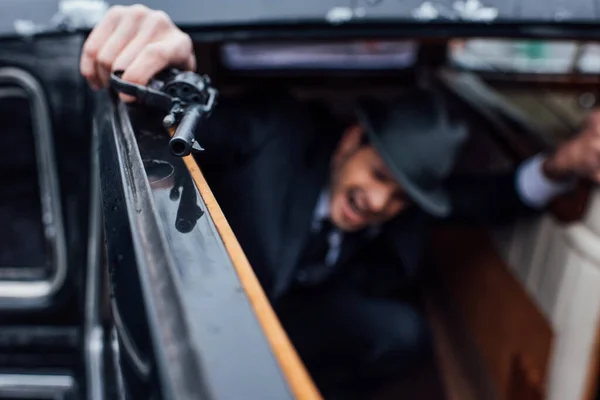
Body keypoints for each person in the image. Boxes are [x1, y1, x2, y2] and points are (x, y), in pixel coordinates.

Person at [82, 5, 600, 399]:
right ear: (351, 140)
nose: (378, 201)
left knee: (405, 334)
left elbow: (493, 198)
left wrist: (562, 165)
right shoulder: (274, 134)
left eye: (400, 196)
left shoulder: (409, 203)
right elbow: (189, 121)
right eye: (377, 173)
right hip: (214, 313)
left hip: (304, 318)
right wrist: (170, 69)